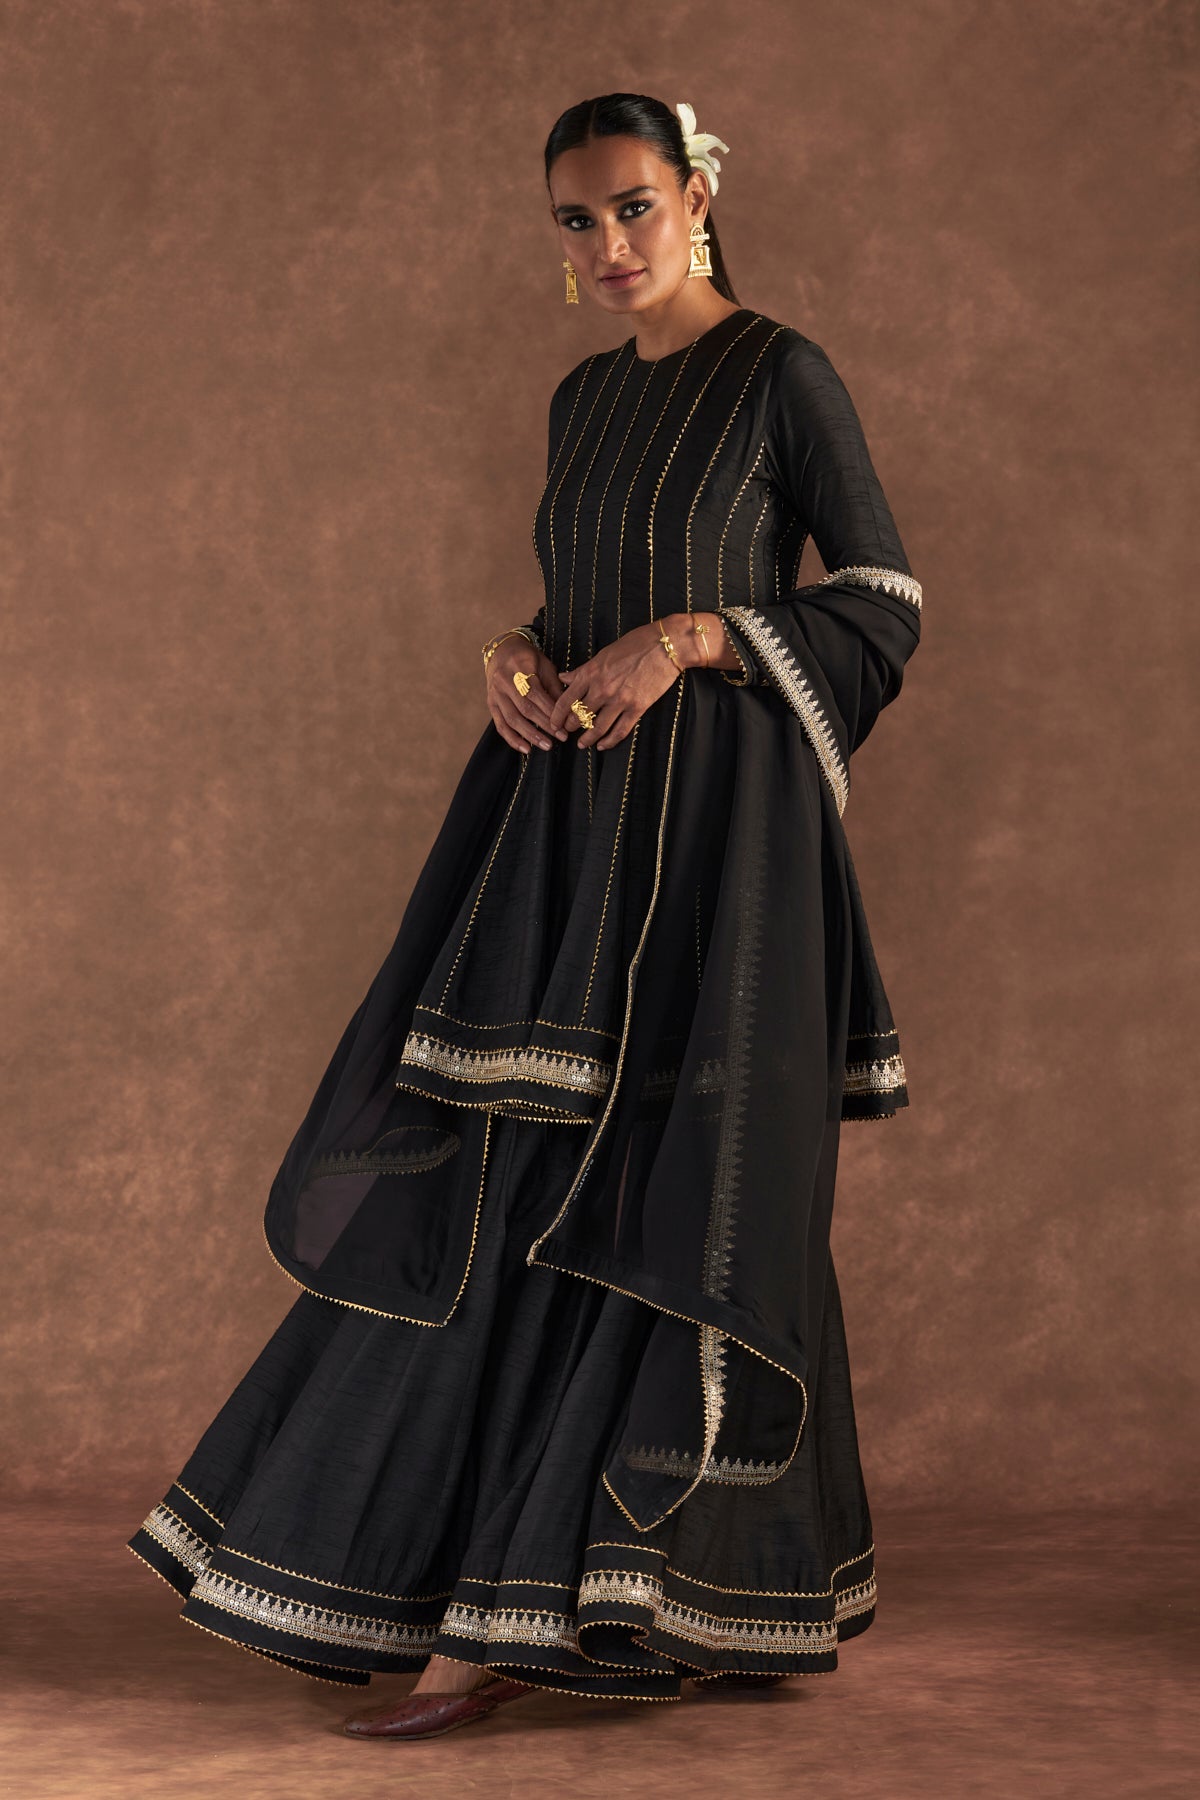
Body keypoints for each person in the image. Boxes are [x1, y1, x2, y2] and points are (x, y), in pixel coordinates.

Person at [127, 90, 922, 1743]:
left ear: (698, 193)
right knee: (529, 1178)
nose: (610, 244)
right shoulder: (583, 399)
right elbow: (582, 601)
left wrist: (694, 641)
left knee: (686, 1185)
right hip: (567, 837)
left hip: (719, 852)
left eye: (634, 206)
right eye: (576, 219)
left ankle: (549, 1609)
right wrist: (515, 650)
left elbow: (883, 603)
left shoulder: (783, 373)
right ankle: (687, 1591)